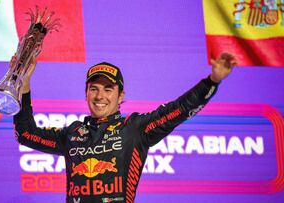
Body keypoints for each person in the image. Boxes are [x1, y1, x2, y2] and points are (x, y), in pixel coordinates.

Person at [13, 53, 237, 203]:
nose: (100, 96)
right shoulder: (72, 133)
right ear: (86, 93)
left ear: (121, 96)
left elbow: (179, 109)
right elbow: (26, 134)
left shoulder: (135, 128)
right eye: (94, 88)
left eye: (108, 89)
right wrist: (24, 84)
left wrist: (212, 81)